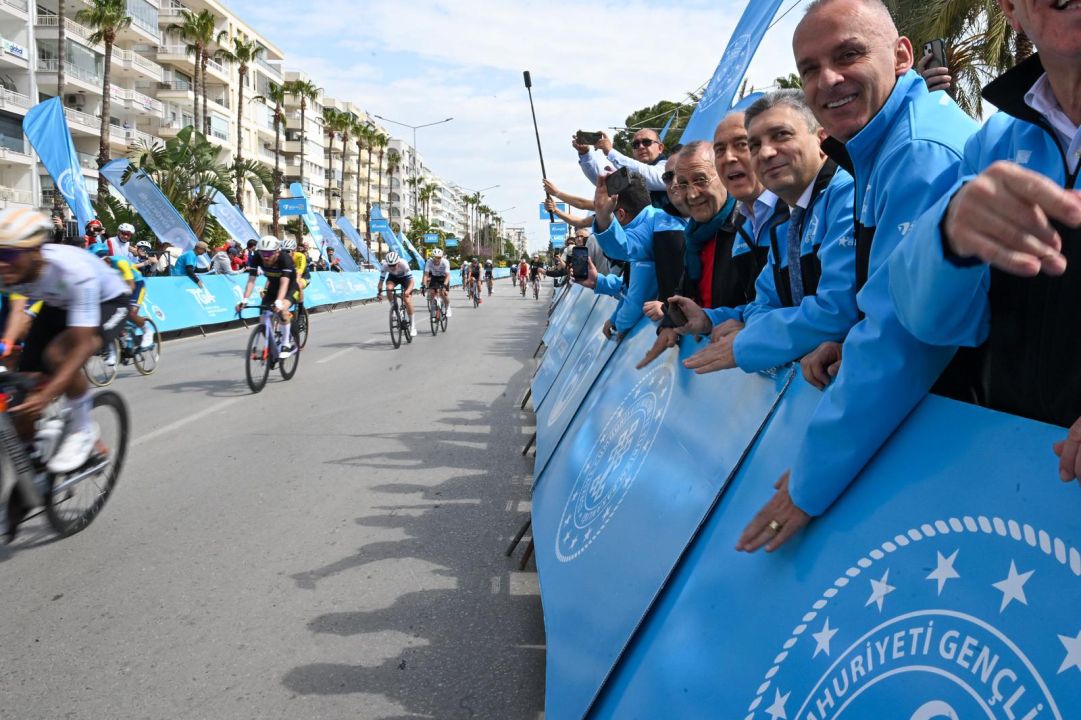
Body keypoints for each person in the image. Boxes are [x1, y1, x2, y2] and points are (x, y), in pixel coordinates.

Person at [735, 0, 978, 554]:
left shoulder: (917, 150)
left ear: (900, 56)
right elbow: (885, 301)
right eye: (810, 68)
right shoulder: (880, 145)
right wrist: (845, 338)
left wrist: (809, 482)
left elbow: (905, 336)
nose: (828, 80)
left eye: (848, 55)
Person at [888, 0, 1081, 483]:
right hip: (1008, 474)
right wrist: (947, 241)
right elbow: (929, 322)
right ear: (1012, 11)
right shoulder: (991, 142)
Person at [669, 90, 858, 375]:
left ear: (821, 139)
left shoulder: (849, 197)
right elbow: (759, 306)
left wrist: (749, 342)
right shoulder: (788, 220)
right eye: (755, 144)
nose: (766, 152)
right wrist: (711, 320)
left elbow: (838, 312)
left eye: (781, 135)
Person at [0, 209, 130, 488]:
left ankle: (82, 429)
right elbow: (18, 312)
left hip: (106, 302)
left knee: (59, 355)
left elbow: (81, 347)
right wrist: (6, 344)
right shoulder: (13, 268)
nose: (2, 263)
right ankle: (32, 463)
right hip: (58, 303)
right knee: (20, 392)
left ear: (35, 251)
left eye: (9, 255)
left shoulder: (72, 271)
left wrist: (47, 395)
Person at [236, 236, 298, 357]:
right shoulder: (256, 258)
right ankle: (273, 345)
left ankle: (286, 344)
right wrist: (244, 299)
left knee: (283, 310)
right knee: (263, 320)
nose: (265, 256)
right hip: (272, 288)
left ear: (277, 251)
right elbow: (251, 280)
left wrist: (279, 301)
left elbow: (284, 282)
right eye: (262, 252)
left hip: (290, 288)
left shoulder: (285, 259)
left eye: (269, 253)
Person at [89, 242, 155, 350]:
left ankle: (147, 331)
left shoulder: (120, 262)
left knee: (130, 312)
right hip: (119, 286)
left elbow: (131, 285)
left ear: (106, 259)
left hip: (136, 284)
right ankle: (124, 336)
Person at [377, 251, 416, 336]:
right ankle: (393, 306)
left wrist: (408, 291)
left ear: (398, 262)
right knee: (388, 288)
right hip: (393, 278)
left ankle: (413, 326)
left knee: (407, 300)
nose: (392, 267)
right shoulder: (384, 265)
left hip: (406, 279)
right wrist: (379, 293)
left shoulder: (404, 264)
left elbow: (412, 281)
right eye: (390, 265)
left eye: (394, 265)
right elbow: (381, 282)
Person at [423, 247, 452, 319]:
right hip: (435, 277)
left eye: (439, 258)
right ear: (432, 257)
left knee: (443, 293)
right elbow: (426, 274)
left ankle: (448, 307)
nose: (437, 259)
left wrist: (444, 285)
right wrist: (423, 285)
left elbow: (448, 275)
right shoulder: (429, 262)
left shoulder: (445, 262)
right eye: (435, 258)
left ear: (441, 257)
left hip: (444, 278)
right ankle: (433, 310)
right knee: (431, 293)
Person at [282, 237, 308, 306]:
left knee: (297, 284)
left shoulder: (300, 256)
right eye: (283, 251)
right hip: (291, 276)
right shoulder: (281, 257)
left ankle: (300, 309)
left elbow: (299, 273)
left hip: (304, 276)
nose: (285, 253)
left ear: (294, 251)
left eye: (287, 251)